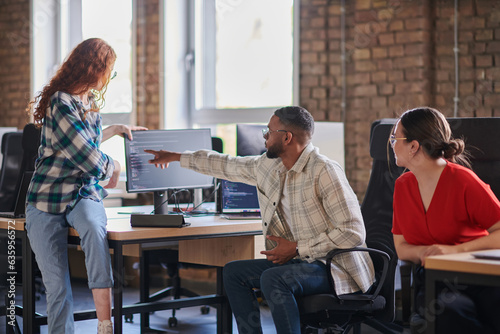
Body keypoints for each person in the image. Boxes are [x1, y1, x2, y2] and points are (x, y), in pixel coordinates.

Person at [145, 106, 375, 334]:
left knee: (274, 279)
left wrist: (296, 248)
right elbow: (226, 164)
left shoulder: (324, 171)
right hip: (301, 262)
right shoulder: (269, 166)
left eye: (269, 131)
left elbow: (352, 232)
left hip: (334, 267)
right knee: (233, 273)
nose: (264, 136)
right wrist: (176, 157)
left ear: (286, 137)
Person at [25, 38, 147, 334]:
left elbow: (84, 141)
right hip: (46, 197)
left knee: (94, 230)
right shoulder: (60, 102)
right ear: (95, 68)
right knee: (58, 288)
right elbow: (84, 156)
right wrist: (115, 166)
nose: (109, 78)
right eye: (109, 70)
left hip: (82, 193)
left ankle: (104, 324)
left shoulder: (87, 100)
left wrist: (115, 130)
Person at [391, 107, 500, 333]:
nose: (392, 143)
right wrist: (422, 253)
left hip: (478, 275)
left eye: (395, 138)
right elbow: (401, 247)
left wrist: (456, 250)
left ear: (413, 146)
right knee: (450, 313)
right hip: (435, 281)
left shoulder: (463, 180)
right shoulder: (403, 186)